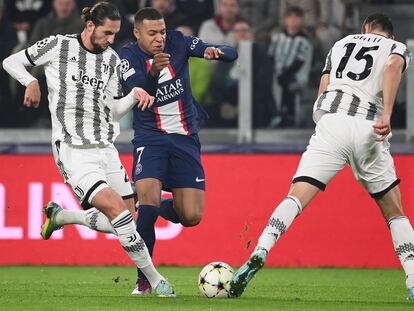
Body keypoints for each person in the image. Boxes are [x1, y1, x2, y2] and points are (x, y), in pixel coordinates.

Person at [228, 13, 414, 300]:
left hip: (331, 122)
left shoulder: (340, 44)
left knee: (295, 195)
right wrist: (387, 113)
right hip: (368, 126)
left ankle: (260, 250)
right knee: (394, 211)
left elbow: (324, 85)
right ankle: (412, 279)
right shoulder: (396, 47)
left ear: (365, 28)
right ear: (388, 35)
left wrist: (323, 121)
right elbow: (391, 66)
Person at [2, 1, 175, 297]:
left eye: (115, 34)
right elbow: (11, 62)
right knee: (118, 213)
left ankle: (63, 217)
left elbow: (112, 111)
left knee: (127, 220)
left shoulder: (110, 59)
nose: (111, 40)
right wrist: (31, 81)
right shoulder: (57, 46)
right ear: (90, 26)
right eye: (107, 33)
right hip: (73, 149)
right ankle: (156, 281)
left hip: (105, 148)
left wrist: (133, 94)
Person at [119, 7, 238, 294]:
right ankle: (145, 280)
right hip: (151, 138)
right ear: (137, 34)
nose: (159, 38)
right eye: (152, 33)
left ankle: (149, 203)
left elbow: (231, 52)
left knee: (192, 217)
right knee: (147, 207)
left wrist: (216, 52)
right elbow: (138, 89)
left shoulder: (179, 41)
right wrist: (153, 71)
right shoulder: (128, 56)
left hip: (186, 139)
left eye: (161, 31)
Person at [268, 6, 313, 128]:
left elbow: (300, 61)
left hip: (295, 77)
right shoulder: (277, 38)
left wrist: (285, 74)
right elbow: (271, 56)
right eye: (290, 17)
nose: (293, 20)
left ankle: (291, 117)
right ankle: (276, 116)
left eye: (297, 17)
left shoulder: (305, 41)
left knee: (290, 87)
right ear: (285, 19)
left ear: (302, 20)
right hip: (276, 74)